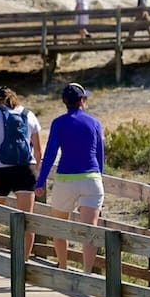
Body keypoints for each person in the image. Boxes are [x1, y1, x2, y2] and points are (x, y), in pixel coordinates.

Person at [33, 83, 105, 272]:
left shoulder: (59, 123)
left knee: (59, 226)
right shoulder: (95, 123)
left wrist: (40, 181)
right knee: (90, 230)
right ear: (82, 101)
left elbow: (50, 154)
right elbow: (100, 156)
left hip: (65, 179)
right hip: (91, 178)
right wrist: (99, 179)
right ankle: (87, 273)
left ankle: (63, 267)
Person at [0, 87, 44, 259]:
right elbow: (38, 150)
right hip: (26, 169)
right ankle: (22, 263)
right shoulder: (29, 114)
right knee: (26, 220)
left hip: (2, 169)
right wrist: (37, 172)